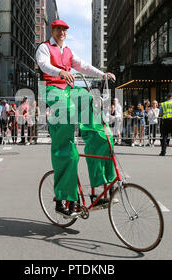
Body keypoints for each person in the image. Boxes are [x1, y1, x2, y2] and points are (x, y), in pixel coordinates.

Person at [36, 19, 116, 218]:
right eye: (58, 29)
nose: (61, 32)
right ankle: (64, 198)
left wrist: (103, 74)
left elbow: (83, 66)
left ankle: (100, 187)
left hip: (70, 90)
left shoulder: (68, 51)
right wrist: (61, 72)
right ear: (52, 30)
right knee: (68, 147)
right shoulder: (44, 48)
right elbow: (44, 66)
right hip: (53, 89)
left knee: (93, 112)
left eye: (64, 29)